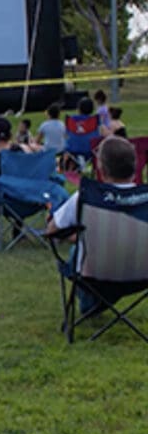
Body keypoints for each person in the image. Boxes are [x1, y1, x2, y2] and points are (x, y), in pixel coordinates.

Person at [47, 135, 139, 315]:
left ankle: (92, 304)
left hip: (96, 274)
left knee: (81, 250)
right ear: (135, 168)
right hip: (139, 273)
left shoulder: (87, 197)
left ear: (101, 169)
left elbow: (52, 230)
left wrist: (79, 236)